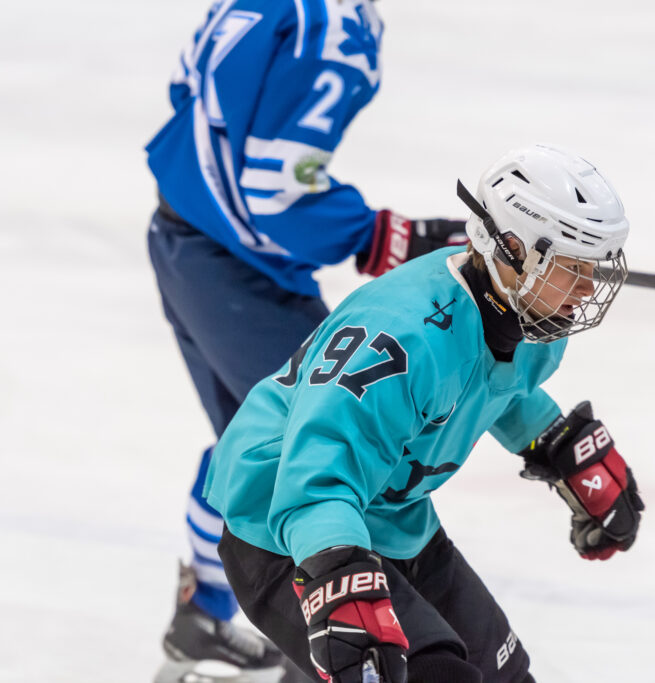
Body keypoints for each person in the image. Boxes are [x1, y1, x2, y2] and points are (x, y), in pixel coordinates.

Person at [202, 144, 646, 683]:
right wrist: (336, 576)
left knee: (505, 676)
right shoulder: (401, 340)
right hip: (286, 523)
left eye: (591, 267)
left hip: (391, 519)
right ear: (511, 249)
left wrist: (557, 440)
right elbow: (317, 467)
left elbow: (489, 381)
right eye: (572, 267)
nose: (588, 287)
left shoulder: (527, 315)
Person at [145, 1, 467, 679]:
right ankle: (321, 653)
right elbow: (275, 190)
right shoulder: (333, 29)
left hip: (184, 238)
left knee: (250, 441)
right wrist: (379, 234)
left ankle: (202, 614)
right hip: (240, 271)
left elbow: (187, 98)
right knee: (316, 450)